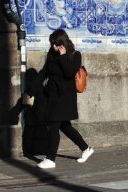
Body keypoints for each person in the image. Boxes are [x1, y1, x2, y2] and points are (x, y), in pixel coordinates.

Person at [36, 29, 94, 169]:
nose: (54, 47)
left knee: (54, 125)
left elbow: (69, 72)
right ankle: (86, 149)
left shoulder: (75, 55)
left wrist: (62, 56)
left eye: (56, 44)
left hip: (65, 98)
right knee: (65, 126)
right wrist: (32, 90)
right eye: (52, 44)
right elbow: (44, 72)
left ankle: (50, 159)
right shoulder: (51, 55)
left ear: (63, 43)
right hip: (53, 96)